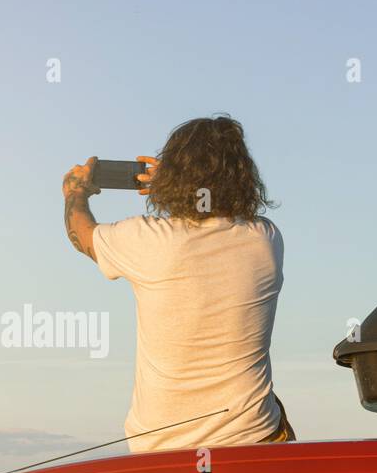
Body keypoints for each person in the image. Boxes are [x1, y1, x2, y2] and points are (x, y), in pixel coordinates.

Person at [62, 114, 292, 452]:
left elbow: (81, 234)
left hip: (159, 445)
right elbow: (214, 203)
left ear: (173, 175)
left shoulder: (146, 240)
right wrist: (183, 183)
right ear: (244, 176)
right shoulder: (265, 239)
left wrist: (75, 192)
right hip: (253, 438)